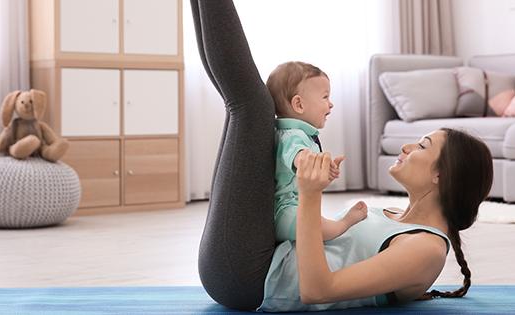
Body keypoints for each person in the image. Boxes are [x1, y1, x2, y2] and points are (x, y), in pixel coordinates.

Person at [191, 0, 494, 312]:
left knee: (252, 107)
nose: (406, 148)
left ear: (440, 174)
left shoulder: (426, 249)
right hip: (258, 257)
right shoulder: (390, 215)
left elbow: (318, 290)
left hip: (250, 281)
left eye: (421, 146)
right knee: (251, 109)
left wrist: (310, 194)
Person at [266, 61, 368, 242]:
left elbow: (304, 178)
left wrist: (323, 171)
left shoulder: (297, 134)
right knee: (319, 229)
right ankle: (344, 223)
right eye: (325, 97)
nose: (331, 104)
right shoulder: (291, 136)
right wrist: (308, 160)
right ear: (299, 104)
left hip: (293, 207)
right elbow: (300, 159)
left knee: (316, 221)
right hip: (283, 211)